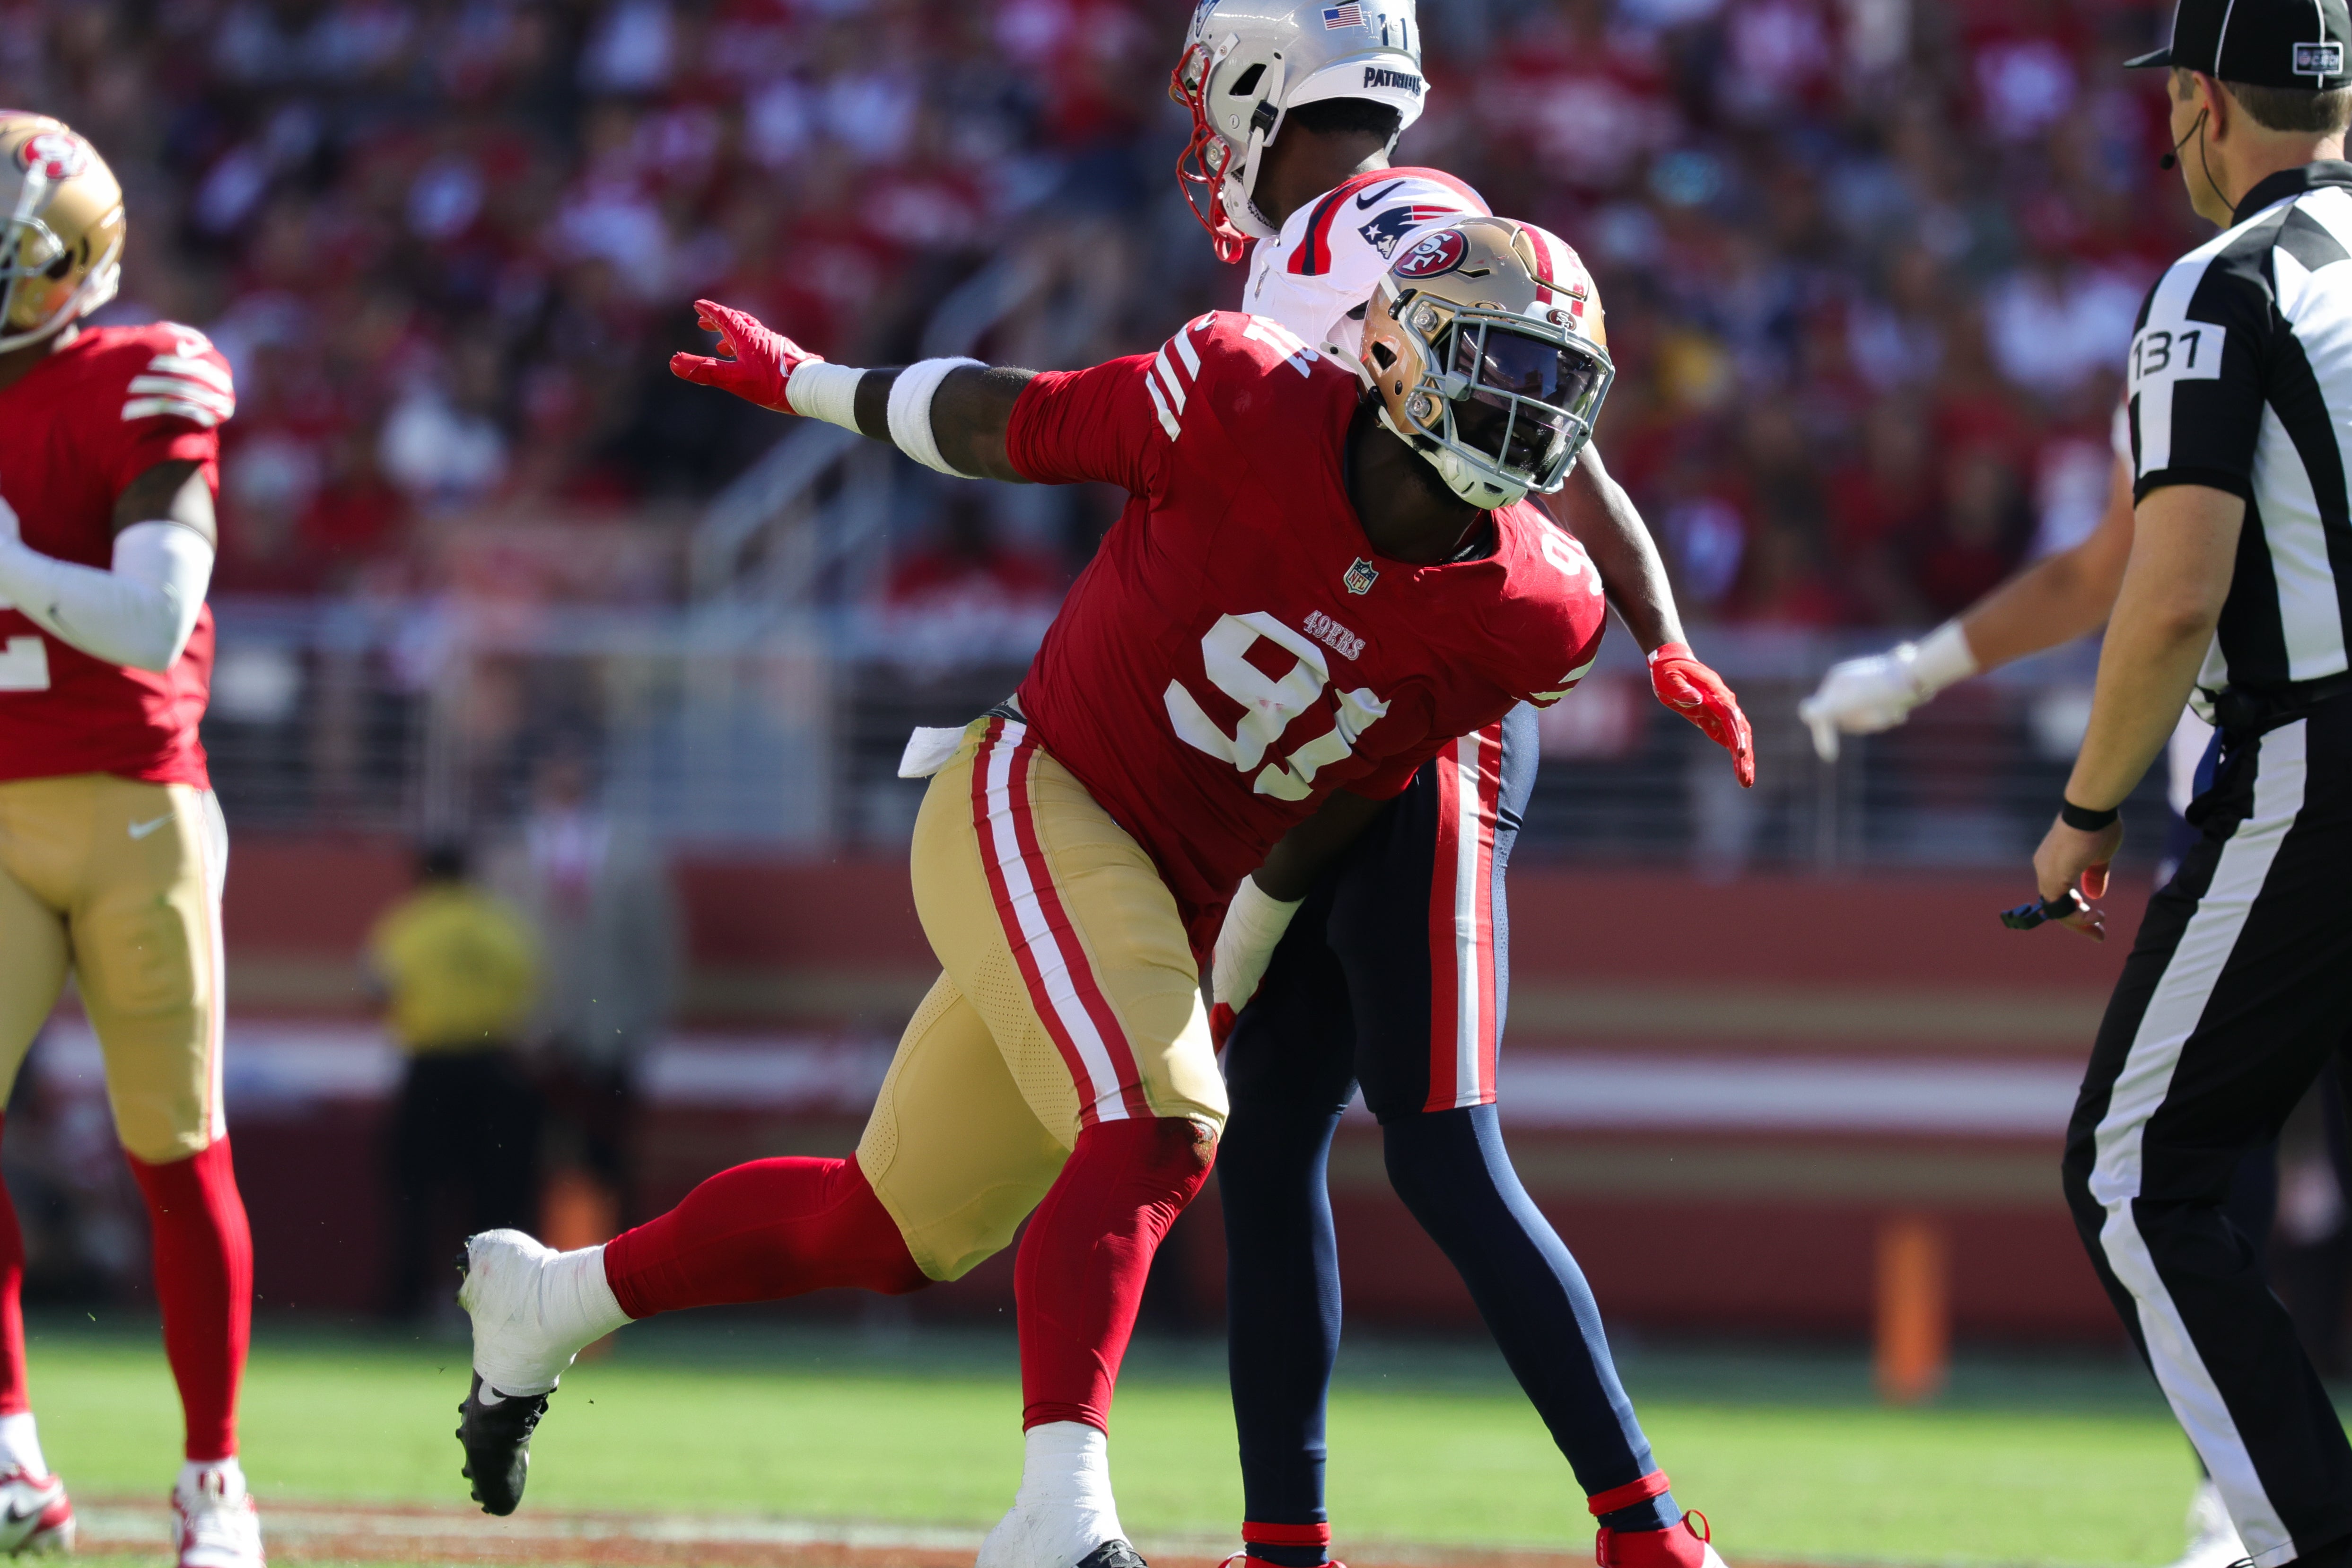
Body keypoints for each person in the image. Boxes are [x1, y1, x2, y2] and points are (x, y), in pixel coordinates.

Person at [456, 218, 1615, 1568]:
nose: (1524, 412)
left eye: (1553, 384)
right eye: (1499, 366)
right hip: (1037, 790)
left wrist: (1226, 971)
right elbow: (1009, 418)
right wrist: (811, 385)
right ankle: (1053, 1517)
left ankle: (544, 1299)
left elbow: (1342, 797)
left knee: (885, 1228)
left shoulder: (1534, 610)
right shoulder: (1242, 396)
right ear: (1402, 347)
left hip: (1168, 893)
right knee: (1163, 1117)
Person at [1166, 8, 1747, 1568]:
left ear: (1263, 90)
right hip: (1348, 697)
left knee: (1438, 1137)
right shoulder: (1324, 241)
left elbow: (1563, 453)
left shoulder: (1406, 217)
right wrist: (1664, 632)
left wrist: (1659, 631)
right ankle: (1280, 1536)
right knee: (1272, 1131)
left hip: (1433, 714)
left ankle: (1642, 1523)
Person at [2028, 3, 2352, 1564]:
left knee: (2134, 1169)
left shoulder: (2221, 286)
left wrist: (2084, 812)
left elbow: (2170, 594)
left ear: (2204, 102)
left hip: (2323, 756)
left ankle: (2301, 1533)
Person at [0, 114, 265, 1568]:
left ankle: (215, 1481)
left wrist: (11, 565)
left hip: (130, 800)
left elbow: (153, 617)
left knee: (174, 1146)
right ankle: (10, 1454)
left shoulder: (140, 375)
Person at [490, 749, 676, 1229]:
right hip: (527, 1031)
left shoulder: (631, 854)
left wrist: (643, 1020)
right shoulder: (508, 852)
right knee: (517, 1161)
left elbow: (657, 944)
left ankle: (616, 1269)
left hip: (607, 1026)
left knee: (609, 1157)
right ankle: (520, 1271)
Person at [368, 840, 544, 1320]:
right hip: (494, 1067)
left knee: (416, 1194)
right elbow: (529, 985)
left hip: (430, 1069)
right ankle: (499, 1303)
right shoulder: (498, 922)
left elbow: (379, 987)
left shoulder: (408, 923)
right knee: (494, 1195)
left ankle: (410, 1299)